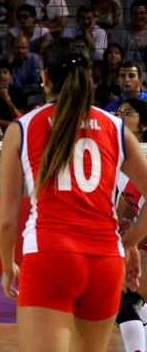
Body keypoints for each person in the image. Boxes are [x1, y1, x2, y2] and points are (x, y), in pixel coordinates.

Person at [0, 37, 147, 352]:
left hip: (50, 255)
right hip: (105, 260)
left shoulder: (22, 128)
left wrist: (7, 266)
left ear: (45, 77)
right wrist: (129, 241)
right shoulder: (116, 127)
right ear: (89, 76)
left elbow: (8, 220)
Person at [114, 97, 147, 352]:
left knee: (125, 297)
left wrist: (130, 241)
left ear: (144, 125)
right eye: (118, 112)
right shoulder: (120, 160)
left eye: (128, 114)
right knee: (129, 300)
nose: (120, 117)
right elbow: (124, 203)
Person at [95, 43, 124, 107]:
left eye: (117, 53)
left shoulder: (124, 73)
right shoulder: (100, 71)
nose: (113, 55)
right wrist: (107, 98)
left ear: (121, 57)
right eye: (110, 52)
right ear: (106, 55)